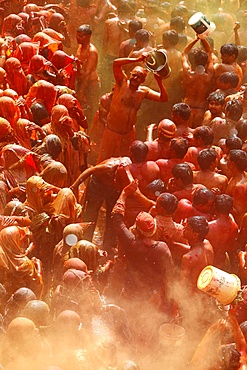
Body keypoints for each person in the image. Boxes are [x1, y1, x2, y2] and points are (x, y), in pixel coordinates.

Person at [97, 54, 168, 163]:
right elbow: (116, 63)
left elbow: (164, 98)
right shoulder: (122, 83)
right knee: (103, 161)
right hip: (112, 131)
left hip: (128, 133)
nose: (135, 78)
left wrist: (159, 81)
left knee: (125, 162)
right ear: (130, 75)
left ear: (143, 80)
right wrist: (137, 59)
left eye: (139, 77)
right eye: (134, 75)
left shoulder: (143, 92)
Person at [181, 36, 214, 128]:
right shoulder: (208, 76)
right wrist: (202, 38)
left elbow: (184, 53)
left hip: (186, 109)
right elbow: (209, 52)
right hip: (200, 111)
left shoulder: (188, 74)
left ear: (193, 62)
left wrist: (196, 39)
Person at [75, 24, 100, 127]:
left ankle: (90, 133)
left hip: (91, 85)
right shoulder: (80, 47)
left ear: (88, 36)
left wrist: (81, 91)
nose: (78, 38)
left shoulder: (92, 52)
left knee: (91, 111)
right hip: (82, 83)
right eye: (77, 35)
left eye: (81, 36)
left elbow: (87, 73)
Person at [206, 194, 238, 270]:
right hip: (222, 263)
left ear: (215, 207)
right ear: (231, 209)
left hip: (208, 261)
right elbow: (231, 247)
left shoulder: (208, 226)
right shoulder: (234, 227)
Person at [226, 149, 247, 224]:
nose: (226, 162)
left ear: (232, 164)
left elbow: (238, 212)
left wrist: (220, 199)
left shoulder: (239, 186)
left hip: (237, 224)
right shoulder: (238, 176)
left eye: (227, 160)